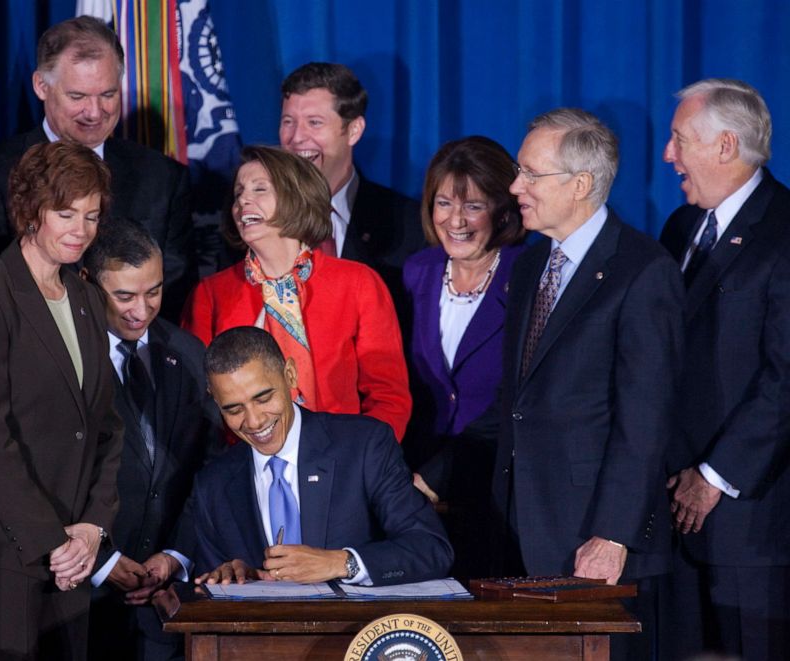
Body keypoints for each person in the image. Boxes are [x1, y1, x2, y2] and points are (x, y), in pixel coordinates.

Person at [491, 108, 683, 659]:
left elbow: (645, 422)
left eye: (530, 174)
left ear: (580, 184)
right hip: (518, 526)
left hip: (593, 540)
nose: (514, 187)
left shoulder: (643, 271)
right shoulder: (529, 267)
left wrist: (613, 536)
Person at [0, 140, 123, 660]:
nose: (81, 230)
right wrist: (54, 541)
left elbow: (106, 426)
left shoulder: (88, 297)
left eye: (91, 216)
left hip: (74, 551)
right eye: (65, 213)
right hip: (2, 551)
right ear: (30, 210)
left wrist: (92, 526)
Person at [659, 78, 790, 661]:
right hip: (670, 514)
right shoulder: (681, 227)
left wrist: (712, 476)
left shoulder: (784, 233)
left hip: (750, 522)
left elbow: (785, 379)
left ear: (725, 146)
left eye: (679, 140)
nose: (668, 155)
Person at [0, 16, 194, 320]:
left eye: (108, 94)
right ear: (41, 86)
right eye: (77, 96)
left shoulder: (163, 177)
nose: (95, 112)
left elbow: (176, 287)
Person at [182, 145, 412, 441]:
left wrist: (363, 463)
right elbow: (198, 400)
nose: (243, 201)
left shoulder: (358, 284)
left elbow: (388, 396)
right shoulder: (210, 295)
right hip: (247, 468)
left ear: (297, 197)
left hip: (342, 464)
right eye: (238, 193)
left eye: (259, 189)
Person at [191, 327, 452, 586]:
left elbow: (430, 549)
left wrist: (340, 563)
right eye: (234, 409)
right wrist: (231, 576)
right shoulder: (213, 484)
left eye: (264, 398)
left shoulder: (363, 446)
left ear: (290, 375)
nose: (254, 421)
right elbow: (209, 593)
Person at [81, 221, 221, 661]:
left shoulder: (190, 353)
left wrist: (177, 554)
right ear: (88, 283)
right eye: (123, 296)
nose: (141, 310)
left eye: (154, 292)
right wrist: (103, 561)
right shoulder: (64, 358)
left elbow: (209, 467)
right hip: (80, 593)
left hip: (166, 596)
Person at [403, 136, 525, 581]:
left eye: (473, 206)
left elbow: (521, 392)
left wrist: (446, 470)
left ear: (503, 209)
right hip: (420, 495)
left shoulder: (528, 274)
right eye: (443, 203)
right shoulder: (417, 272)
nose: (455, 221)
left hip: (499, 491)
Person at [279, 62, 424, 319]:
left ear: (353, 130)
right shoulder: (258, 217)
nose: (297, 137)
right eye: (288, 121)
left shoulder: (409, 223)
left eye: (314, 122)